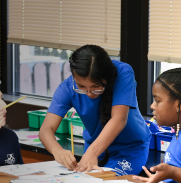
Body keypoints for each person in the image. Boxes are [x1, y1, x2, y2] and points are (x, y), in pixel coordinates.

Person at [39, 45, 151, 176]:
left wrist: (92, 153)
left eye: (95, 86)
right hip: (93, 147)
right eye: (81, 86)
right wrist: (57, 151)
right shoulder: (67, 88)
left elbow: (119, 118)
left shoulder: (123, 72)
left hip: (129, 148)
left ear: (106, 77)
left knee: (105, 180)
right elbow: (46, 129)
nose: (89, 93)